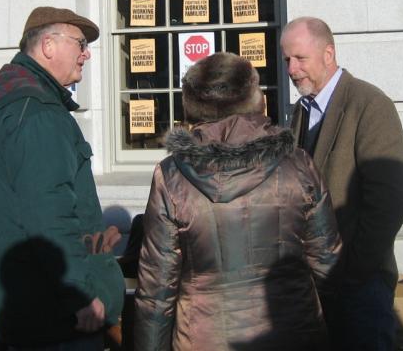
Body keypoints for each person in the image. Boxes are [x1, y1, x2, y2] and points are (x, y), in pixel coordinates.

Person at [0, 7, 124, 351]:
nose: (86, 53)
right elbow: (49, 216)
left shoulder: (13, 107)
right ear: (48, 45)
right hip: (58, 317)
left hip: (28, 311)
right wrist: (82, 294)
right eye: (80, 43)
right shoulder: (37, 114)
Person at [135, 52, 342, 350]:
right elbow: (327, 263)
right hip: (293, 330)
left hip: (204, 337)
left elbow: (156, 289)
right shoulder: (297, 165)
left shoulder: (172, 176)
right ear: (254, 99)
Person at [280, 17, 403, 351]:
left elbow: (389, 202)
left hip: (361, 287)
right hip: (314, 285)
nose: (292, 70)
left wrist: (353, 271)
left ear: (328, 54)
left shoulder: (370, 104)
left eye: (300, 58)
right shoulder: (301, 111)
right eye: (286, 60)